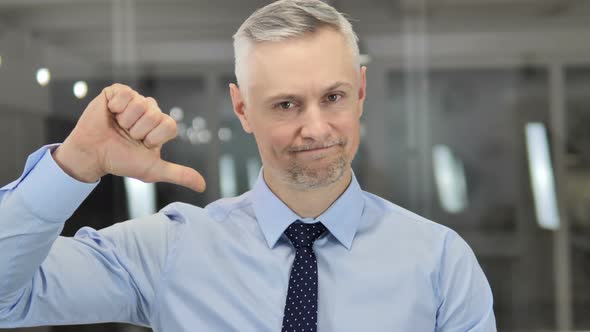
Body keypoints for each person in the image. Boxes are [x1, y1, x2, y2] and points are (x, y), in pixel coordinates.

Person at [0, 0, 497, 331]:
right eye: (286, 105)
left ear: (360, 91)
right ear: (242, 109)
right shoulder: (171, 248)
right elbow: (8, 299)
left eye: (334, 97)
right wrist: (74, 165)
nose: (317, 127)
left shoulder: (440, 262)